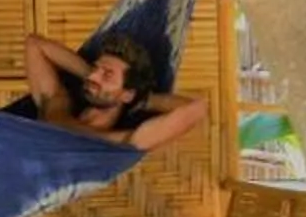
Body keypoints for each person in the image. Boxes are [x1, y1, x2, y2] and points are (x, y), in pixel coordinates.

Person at [19, 28, 212, 151]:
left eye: (107, 75)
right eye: (96, 68)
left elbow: (197, 109)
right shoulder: (57, 105)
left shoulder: (117, 143)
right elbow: (34, 44)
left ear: (127, 94)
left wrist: (144, 99)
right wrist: (89, 74)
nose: (94, 76)